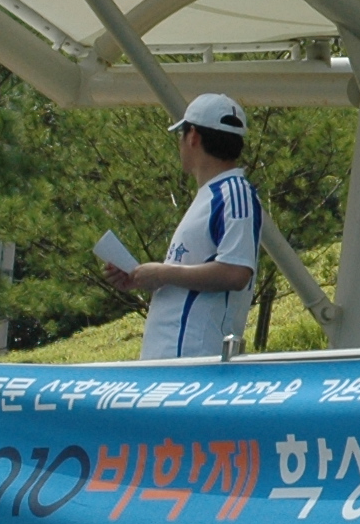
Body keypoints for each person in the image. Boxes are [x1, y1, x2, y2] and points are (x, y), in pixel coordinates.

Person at [101, 93, 262, 360]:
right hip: (172, 359)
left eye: (181, 135)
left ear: (193, 136)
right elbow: (191, 273)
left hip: (194, 359)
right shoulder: (211, 195)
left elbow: (236, 273)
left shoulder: (234, 192)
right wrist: (140, 277)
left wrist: (162, 273)